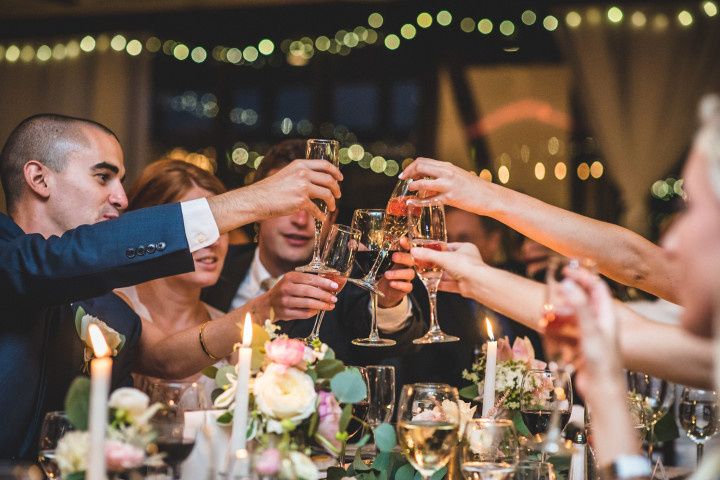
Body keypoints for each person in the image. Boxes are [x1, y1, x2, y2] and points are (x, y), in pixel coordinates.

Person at [0, 114, 341, 459]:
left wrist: (267, 306)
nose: (120, 198)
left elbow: (163, 361)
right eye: (103, 177)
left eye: (120, 180)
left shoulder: (107, 307)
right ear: (39, 178)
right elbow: (49, 264)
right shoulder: (8, 257)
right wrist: (256, 200)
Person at [203, 139, 426, 368]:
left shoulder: (345, 284)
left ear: (332, 217)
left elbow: (399, 345)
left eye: (317, 207)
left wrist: (388, 303)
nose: (300, 220)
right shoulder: (215, 267)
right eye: (288, 206)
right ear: (260, 210)